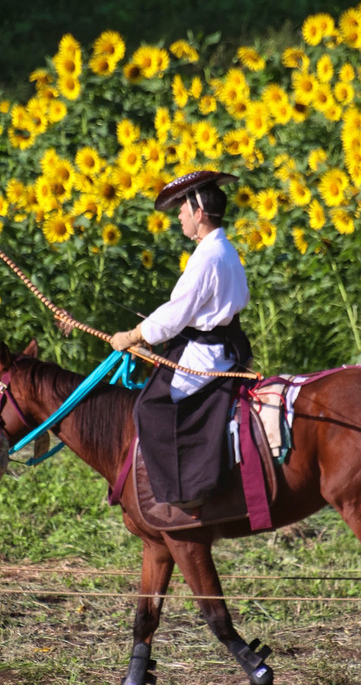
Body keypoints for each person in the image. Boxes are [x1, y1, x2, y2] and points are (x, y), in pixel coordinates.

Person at [109, 170, 252, 508]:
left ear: (199, 214)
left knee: (149, 406)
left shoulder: (208, 257)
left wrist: (132, 336)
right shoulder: (224, 249)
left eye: (183, 210)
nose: (179, 216)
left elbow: (177, 312)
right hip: (219, 346)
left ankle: (183, 495)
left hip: (207, 354)